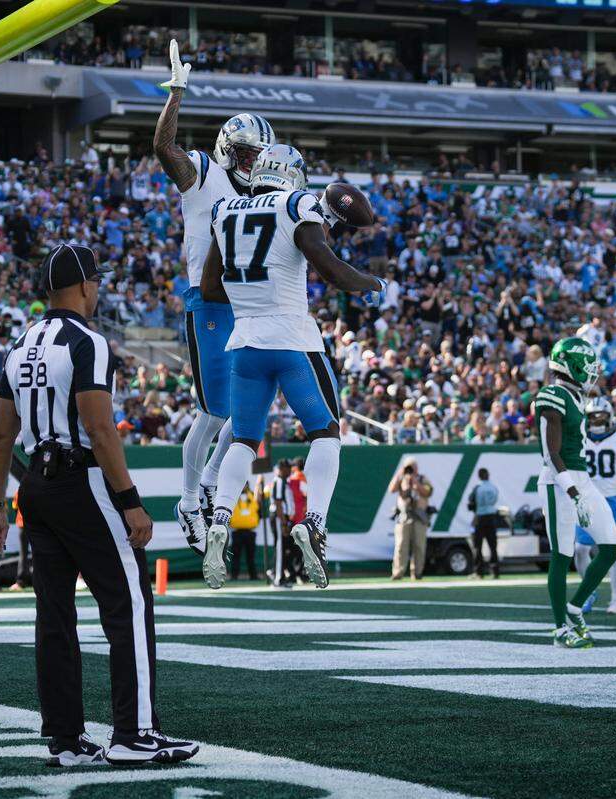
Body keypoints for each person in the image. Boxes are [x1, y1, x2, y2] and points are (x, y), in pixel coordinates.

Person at [0, 243, 197, 766]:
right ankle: (134, 733)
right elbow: (99, 428)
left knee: (54, 617)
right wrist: (130, 501)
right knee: (130, 606)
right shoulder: (88, 342)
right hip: (84, 481)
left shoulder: (20, 343)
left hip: (36, 484)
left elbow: (1, 435)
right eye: (95, 281)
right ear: (80, 286)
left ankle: (66, 740)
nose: (98, 289)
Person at [199, 144, 386, 590]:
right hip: (292, 340)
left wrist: (253, 301)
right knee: (326, 434)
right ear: (292, 174)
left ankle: (220, 517)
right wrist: (372, 283)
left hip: (244, 341)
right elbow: (331, 270)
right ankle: (314, 523)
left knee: (243, 440)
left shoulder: (225, 210)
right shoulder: (297, 203)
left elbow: (209, 285)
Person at [155, 37, 276, 559]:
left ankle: (205, 480)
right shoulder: (204, 172)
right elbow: (165, 148)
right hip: (207, 300)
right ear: (229, 148)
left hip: (246, 301)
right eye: (246, 152)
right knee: (211, 410)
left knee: (242, 410)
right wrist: (177, 92)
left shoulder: (258, 193)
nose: (252, 161)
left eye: (257, 155)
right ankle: (188, 497)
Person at [535, 336, 616, 650]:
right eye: (586, 366)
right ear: (570, 366)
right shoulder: (552, 395)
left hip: (583, 480)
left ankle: (574, 609)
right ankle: (559, 629)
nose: (591, 372)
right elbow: (550, 453)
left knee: (612, 545)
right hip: (559, 481)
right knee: (562, 554)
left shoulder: (574, 397)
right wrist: (572, 491)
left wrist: (581, 489)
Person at [574, 397, 616, 614]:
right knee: (580, 550)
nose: (596, 419)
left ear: (609, 416)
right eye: (593, 416)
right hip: (586, 499)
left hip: (612, 499)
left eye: (600, 415)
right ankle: (589, 590)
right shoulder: (580, 438)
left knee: (612, 551)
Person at [390, 459, 434, 580]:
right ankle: (398, 572)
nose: (410, 470)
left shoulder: (422, 479)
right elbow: (391, 490)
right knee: (400, 545)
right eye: (408, 468)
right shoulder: (401, 479)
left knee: (419, 546)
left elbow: (428, 492)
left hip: (419, 516)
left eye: (412, 468)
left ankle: (417, 572)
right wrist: (399, 475)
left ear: (417, 468)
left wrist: (416, 483)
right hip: (404, 516)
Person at [266, 459, 298, 586]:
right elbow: (278, 503)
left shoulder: (283, 482)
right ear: (282, 468)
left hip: (283, 517)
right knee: (280, 547)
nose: (290, 470)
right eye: (288, 468)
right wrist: (284, 523)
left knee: (283, 547)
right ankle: (278, 578)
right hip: (279, 517)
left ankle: (276, 572)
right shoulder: (278, 481)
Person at [467, 468, 501, 579]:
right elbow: (495, 499)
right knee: (493, 546)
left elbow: (470, 503)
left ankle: (479, 572)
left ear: (479, 476)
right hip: (491, 517)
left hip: (480, 517)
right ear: (488, 475)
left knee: (477, 546)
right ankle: (495, 571)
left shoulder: (477, 487)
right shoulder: (494, 487)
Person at [228, 479, 262, 581]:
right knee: (236, 556)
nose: (243, 487)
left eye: (245, 484)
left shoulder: (252, 496)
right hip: (236, 532)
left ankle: (253, 575)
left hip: (250, 532)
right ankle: (234, 576)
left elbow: (259, 499)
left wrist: (259, 483)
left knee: (250, 556)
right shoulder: (232, 497)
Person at [10, 488, 32, 590]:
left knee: (23, 553)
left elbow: (14, 507)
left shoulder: (20, 490)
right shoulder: (39, 486)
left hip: (23, 525)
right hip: (34, 525)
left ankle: (21, 581)